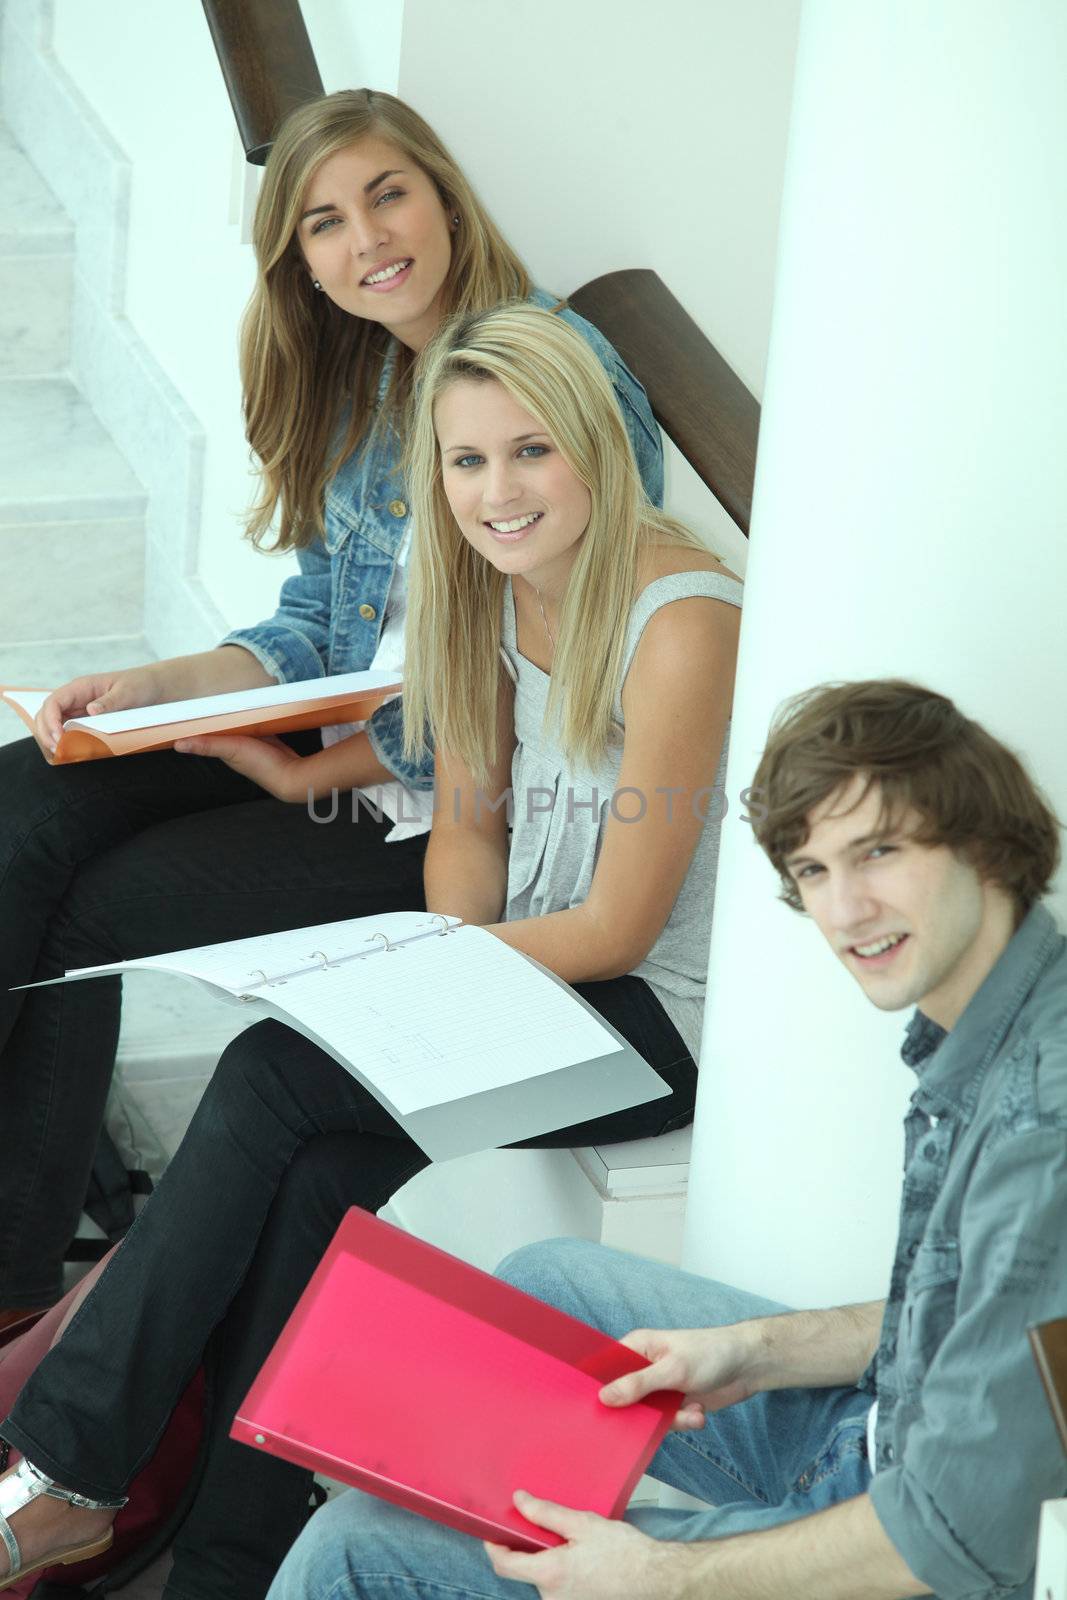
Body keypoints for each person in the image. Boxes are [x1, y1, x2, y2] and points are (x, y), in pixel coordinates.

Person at [0, 303, 742, 1598]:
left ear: (593, 449)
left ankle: (62, 1474)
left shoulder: (678, 619)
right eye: (465, 463)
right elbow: (465, 836)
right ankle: (228, 1565)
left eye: (530, 452)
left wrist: (432, 985)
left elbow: (622, 928)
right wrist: (430, 963)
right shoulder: (482, 592)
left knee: (276, 1074)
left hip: (659, 1020)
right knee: (312, 1167)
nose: (496, 493)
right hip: (542, 976)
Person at [0, 87, 665, 1330]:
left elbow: (548, 663)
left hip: (434, 801)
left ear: (445, 196)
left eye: (386, 195)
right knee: (28, 791)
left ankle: (13, 1277)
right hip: (345, 729)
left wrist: (322, 769)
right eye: (322, 223)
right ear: (297, 260)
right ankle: (14, 1274)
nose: (365, 239)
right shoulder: (374, 390)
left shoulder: (547, 372)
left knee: (92, 902)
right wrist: (161, 686)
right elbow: (316, 622)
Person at [268, 679, 1067, 1600]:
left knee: (354, 1549)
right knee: (544, 1295)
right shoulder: (999, 1025)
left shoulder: (1037, 1126)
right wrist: (758, 1349)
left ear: (984, 841)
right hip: (889, 1430)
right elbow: (983, 1328)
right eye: (813, 871)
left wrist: (662, 1575)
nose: (844, 912)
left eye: (877, 852)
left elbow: (956, 1535)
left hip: (922, 1548)